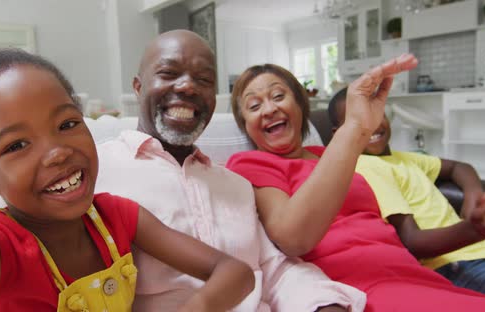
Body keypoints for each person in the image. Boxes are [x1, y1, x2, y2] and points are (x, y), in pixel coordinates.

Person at [0, 48, 257, 312]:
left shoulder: (116, 216)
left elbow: (234, 271)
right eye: (17, 145)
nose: (58, 152)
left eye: (67, 124)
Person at [95, 30, 366, 312]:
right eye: (168, 73)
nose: (188, 87)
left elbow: (274, 269)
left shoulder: (235, 184)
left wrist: (324, 304)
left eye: (204, 80)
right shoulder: (98, 171)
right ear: (138, 87)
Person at [226, 62, 485, 311]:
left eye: (277, 96)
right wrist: (353, 128)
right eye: (254, 106)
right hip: (355, 285)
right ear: (246, 125)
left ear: (300, 104)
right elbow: (292, 237)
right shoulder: (251, 163)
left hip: (411, 272)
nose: (270, 109)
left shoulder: (331, 154)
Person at [327, 87, 485, 296]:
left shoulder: (402, 157)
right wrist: (476, 228)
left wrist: (472, 197)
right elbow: (411, 241)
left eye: (376, 113)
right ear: (338, 133)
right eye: (359, 120)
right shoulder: (366, 167)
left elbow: (459, 167)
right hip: (455, 264)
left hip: (484, 251)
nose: (372, 124)